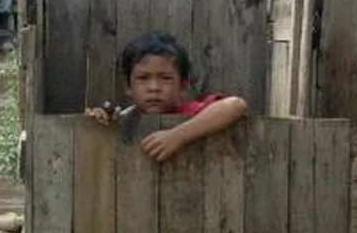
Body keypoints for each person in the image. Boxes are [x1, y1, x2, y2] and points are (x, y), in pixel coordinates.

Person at [85, 31, 248, 162]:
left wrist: (177, 136)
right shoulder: (123, 117)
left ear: (183, 86)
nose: (154, 88)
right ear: (128, 86)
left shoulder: (191, 112)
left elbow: (236, 105)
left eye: (165, 78)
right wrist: (98, 121)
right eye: (143, 78)